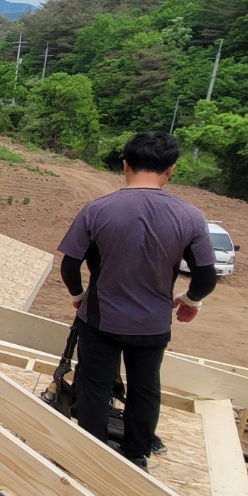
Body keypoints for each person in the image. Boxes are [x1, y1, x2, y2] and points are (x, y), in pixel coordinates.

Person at [57, 131, 218, 470]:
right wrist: (190, 300)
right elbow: (205, 278)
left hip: (100, 319)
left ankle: (91, 456)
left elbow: (70, 265)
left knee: (95, 387)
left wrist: (79, 296)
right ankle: (135, 456)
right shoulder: (190, 217)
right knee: (145, 388)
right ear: (170, 170)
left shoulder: (96, 210)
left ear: (125, 165)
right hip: (153, 324)